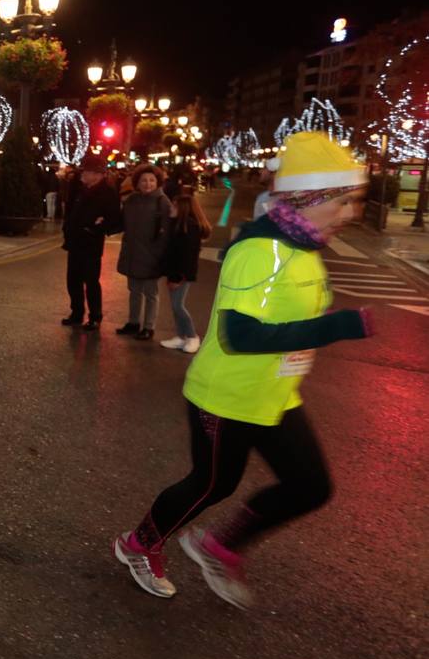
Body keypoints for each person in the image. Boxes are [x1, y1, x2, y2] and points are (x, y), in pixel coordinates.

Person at [115, 133, 372, 609]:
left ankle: (218, 546)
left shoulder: (305, 246)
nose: (350, 213)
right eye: (342, 200)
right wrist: (337, 326)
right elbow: (241, 335)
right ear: (308, 198)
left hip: (274, 395)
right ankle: (139, 543)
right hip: (226, 393)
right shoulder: (261, 251)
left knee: (310, 485)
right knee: (212, 483)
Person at [61, 154, 122, 330]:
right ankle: (76, 312)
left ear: (97, 174)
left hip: (91, 243)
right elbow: (70, 211)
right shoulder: (79, 188)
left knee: (91, 281)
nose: (82, 174)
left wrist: (97, 227)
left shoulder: (107, 193)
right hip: (74, 241)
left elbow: (114, 220)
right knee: (73, 280)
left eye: (86, 171)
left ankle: (95, 316)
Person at [116, 164, 172, 340]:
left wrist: (159, 254)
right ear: (137, 183)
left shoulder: (162, 202)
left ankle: (149, 327)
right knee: (134, 291)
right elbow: (122, 223)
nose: (147, 184)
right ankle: (133, 323)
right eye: (143, 180)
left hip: (152, 255)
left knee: (150, 293)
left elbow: (168, 232)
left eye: (151, 180)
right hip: (132, 253)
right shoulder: (131, 200)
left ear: (158, 182)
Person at [160, 189, 211, 353]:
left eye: (174, 206)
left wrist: (177, 277)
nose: (170, 209)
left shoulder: (189, 228)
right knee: (175, 306)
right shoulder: (178, 225)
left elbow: (187, 257)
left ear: (183, 209)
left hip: (181, 275)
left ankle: (192, 336)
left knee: (178, 306)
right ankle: (181, 336)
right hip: (176, 273)